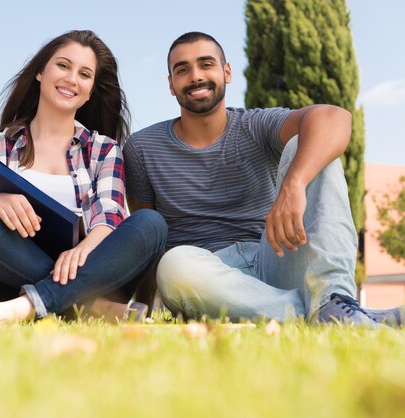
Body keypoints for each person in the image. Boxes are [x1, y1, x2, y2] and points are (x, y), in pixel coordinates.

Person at [123, 31, 401, 327]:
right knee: (174, 264)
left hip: (276, 259)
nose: (195, 76)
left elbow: (334, 117)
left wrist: (294, 183)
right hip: (207, 278)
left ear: (226, 72)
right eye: (182, 69)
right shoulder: (142, 147)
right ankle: (323, 312)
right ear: (171, 84)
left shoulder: (254, 126)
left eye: (206, 64)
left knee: (307, 144)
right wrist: (144, 307)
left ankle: (333, 300)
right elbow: (149, 239)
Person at [0, 30, 167, 322]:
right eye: (63, 65)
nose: (72, 79)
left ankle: (22, 309)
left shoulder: (104, 150)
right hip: (5, 277)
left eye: (84, 74)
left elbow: (109, 217)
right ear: (40, 72)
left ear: (89, 92)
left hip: (90, 267)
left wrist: (83, 249)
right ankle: (92, 308)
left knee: (151, 224)